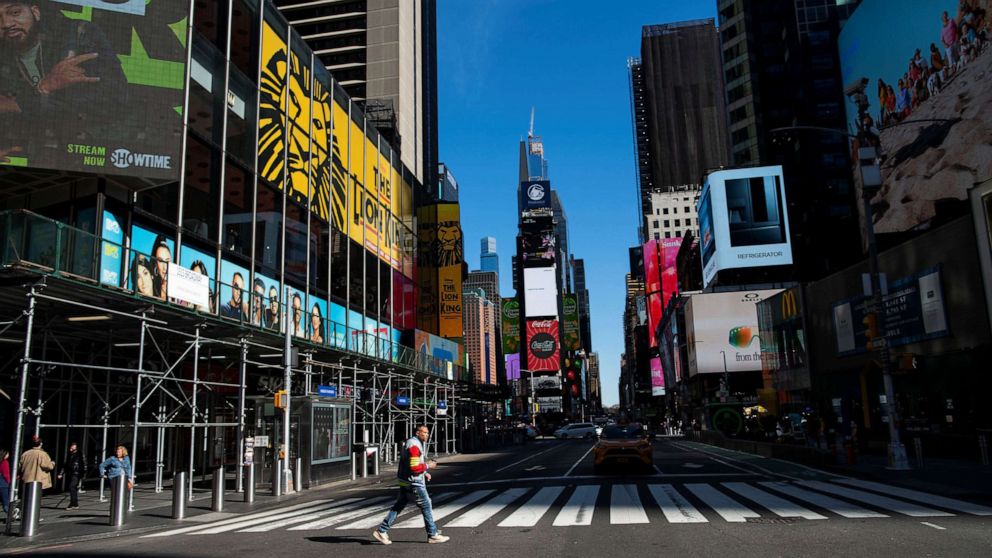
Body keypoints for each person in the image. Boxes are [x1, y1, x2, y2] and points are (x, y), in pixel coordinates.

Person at [0, 1, 127, 160]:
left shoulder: (76, 34)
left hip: (88, 152)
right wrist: (44, 89)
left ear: (36, 12)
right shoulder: (4, 57)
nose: (6, 23)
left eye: (15, 13)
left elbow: (116, 99)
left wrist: (21, 102)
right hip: (27, 157)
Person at [373, 425, 448, 545]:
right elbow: (414, 467)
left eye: (428, 433)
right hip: (414, 482)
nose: (427, 435)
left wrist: (424, 472)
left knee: (400, 504)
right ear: (418, 433)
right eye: (425, 433)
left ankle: (382, 530)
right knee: (426, 505)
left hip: (405, 480)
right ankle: (433, 534)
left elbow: (413, 463)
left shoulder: (412, 442)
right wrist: (428, 466)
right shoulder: (414, 446)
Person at [57, 441, 84, 510]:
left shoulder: (80, 455)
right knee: (73, 488)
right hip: (71, 473)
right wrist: (61, 473)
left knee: (72, 487)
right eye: (71, 446)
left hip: (76, 474)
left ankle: (72, 504)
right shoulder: (70, 455)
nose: (71, 447)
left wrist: (82, 474)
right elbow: (66, 465)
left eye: (73, 446)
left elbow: (83, 465)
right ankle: (75, 503)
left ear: (76, 448)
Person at [151, 235, 171, 301]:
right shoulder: (150, 286)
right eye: (160, 261)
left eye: (167, 261)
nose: (165, 267)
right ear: (156, 264)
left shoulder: (177, 290)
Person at [0, 448, 10, 517]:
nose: (8, 455)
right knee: (5, 501)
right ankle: (10, 515)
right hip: (3, 484)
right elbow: (6, 474)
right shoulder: (5, 462)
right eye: (7, 453)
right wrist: (9, 481)